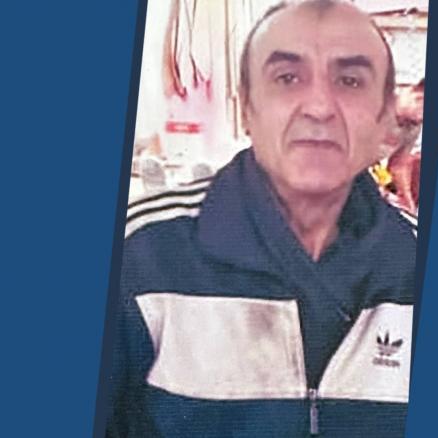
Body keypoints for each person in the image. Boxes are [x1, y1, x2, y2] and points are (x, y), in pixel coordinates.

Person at [104, 1, 417, 436]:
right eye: (287, 78)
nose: (319, 107)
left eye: (349, 80)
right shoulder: (139, 255)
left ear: (385, 118)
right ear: (247, 108)